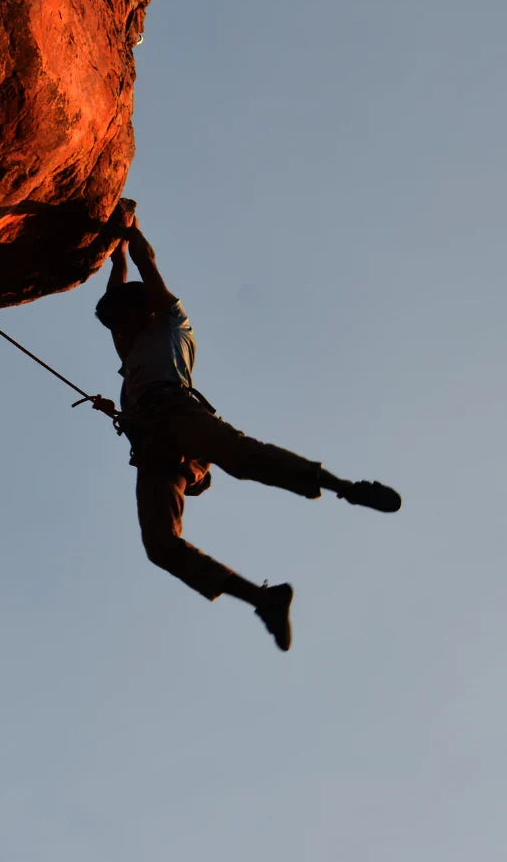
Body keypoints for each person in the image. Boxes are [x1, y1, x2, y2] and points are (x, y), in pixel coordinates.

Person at [90, 201, 400, 651]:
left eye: (123, 318)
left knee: (242, 457)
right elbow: (119, 278)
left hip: (177, 413)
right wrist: (115, 246)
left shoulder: (172, 321)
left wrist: (130, 229)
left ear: (143, 311)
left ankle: (345, 487)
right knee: (159, 546)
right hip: (153, 445)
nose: (119, 329)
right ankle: (262, 599)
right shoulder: (132, 344)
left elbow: (144, 263)